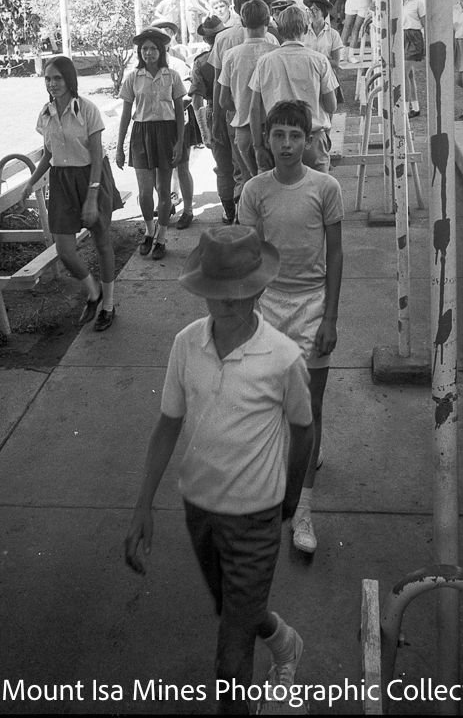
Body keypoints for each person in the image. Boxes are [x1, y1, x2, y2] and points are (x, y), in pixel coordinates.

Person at [124, 225, 313, 714]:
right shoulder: (186, 345)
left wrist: (290, 497)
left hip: (257, 519)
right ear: (202, 290)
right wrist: (143, 504)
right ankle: (285, 641)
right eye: (218, 294)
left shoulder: (284, 358)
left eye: (242, 293)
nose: (229, 303)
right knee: (233, 612)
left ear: (260, 288)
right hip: (200, 512)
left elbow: (304, 429)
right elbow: (168, 423)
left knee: (231, 661)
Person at [238, 99, 343, 554]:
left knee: (310, 407)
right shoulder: (254, 192)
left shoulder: (326, 187)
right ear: (266, 139)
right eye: (278, 135)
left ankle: (303, 512)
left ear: (309, 140)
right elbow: (249, 257)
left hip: (312, 305)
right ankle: (268, 494)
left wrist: (332, 317)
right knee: (269, 405)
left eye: (295, 136)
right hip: (269, 306)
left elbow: (336, 255)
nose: (286, 144)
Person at [20, 57, 118, 330]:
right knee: (64, 250)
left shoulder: (87, 110)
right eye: (48, 79)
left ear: (70, 79)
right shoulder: (45, 113)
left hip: (91, 177)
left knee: (102, 242)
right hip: (61, 181)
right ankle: (93, 292)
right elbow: (49, 152)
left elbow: (97, 156)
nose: (52, 84)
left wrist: (91, 197)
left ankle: (108, 306)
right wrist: (32, 182)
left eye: (58, 78)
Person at [116, 27, 187, 260]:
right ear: (139, 52)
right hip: (142, 134)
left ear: (161, 50)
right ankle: (149, 231)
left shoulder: (172, 76)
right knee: (145, 193)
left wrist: (179, 143)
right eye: (144, 49)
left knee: (164, 190)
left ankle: (162, 238)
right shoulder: (133, 78)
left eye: (153, 48)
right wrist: (119, 147)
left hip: (166, 134)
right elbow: (126, 114)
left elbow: (179, 113)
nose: (148, 53)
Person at [249, 4, 338, 174]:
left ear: (280, 30)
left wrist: (258, 145)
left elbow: (254, 108)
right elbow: (331, 106)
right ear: (305, 28)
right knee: (317, 193)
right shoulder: (319, 60)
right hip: (312, 138)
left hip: (278, 138)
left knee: (279, 194)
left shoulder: (264, 62)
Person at [218, 0, 277, 189]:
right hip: (273, 128)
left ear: (242, 22)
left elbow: (224, 100)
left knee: (250, 184)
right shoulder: (276, 52)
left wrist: (242, 104)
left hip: (243, 128)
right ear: (268, 21)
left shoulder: (231, 55)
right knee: (278, 186)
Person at [190, 15, 235, 225]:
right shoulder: (235, 55)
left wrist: (204, 130)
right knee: (242, 164)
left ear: (206, 40)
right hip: (235, 110)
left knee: (223, 166)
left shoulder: (201, 62)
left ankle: (228, 210)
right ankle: (242, 208)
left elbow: (196, 99)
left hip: (212, 112)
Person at [402, 0, 426, 118]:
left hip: (414, 37)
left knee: (403, 73)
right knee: (409, 74)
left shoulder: (418, 3)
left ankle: (404, 107)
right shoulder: (398, 2)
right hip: (403, 37)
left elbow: (424, 23)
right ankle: (415, 107)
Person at [302, 0, 343, 70]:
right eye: (309, 10)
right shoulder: (303, 32)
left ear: (323, 12)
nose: (311, 13)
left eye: (315, 10)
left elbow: (336, 63)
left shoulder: (333, 34)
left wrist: (316, 60)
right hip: (307, 72)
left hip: (326, 73)